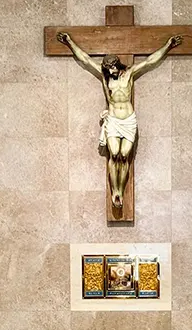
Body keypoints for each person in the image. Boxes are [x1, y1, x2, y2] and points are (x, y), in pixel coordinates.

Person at [56, 31, 182, 209]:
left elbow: (149, 61)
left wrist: (168, 45)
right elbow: (85, 59)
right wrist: (69, 41)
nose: (111, 71)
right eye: (108, 69)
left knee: (124, 156)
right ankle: (115, 190)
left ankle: (120, 190)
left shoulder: (129, 74)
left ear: (117, 65)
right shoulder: (105, 76)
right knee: (113, 153)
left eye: (113, 68)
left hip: (128, 120)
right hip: (114, 120)